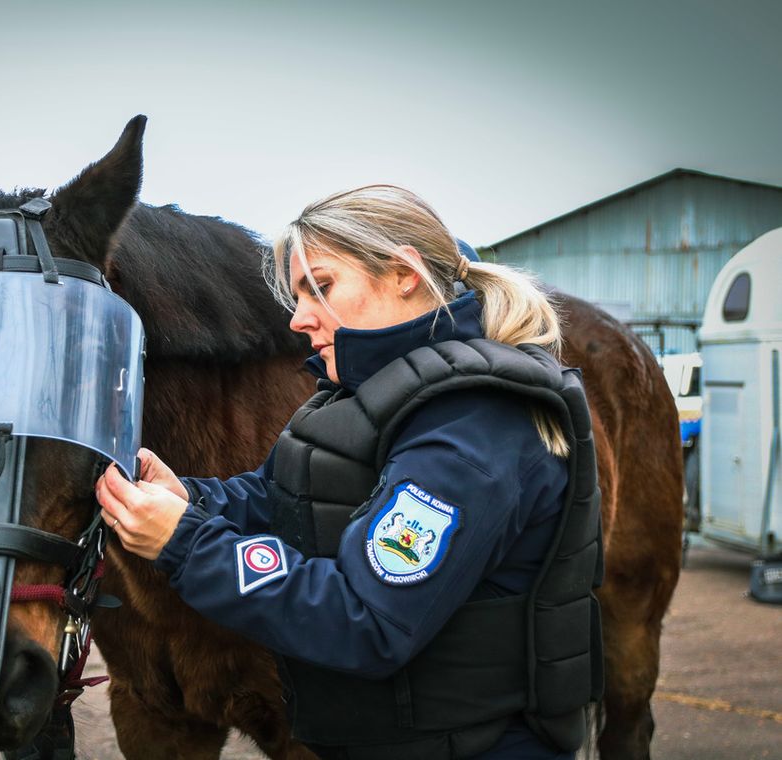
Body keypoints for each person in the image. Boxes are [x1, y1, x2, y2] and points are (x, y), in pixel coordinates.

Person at [95, 184, 602, 759]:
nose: (298, 319)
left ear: (403, 273)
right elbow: (279, 494)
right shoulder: (371, 395)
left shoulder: (470, 428)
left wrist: (185, 543)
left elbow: (366, 621)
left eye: (321, 287)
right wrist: (188, 495)